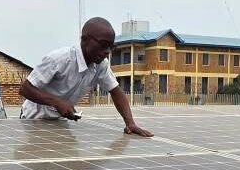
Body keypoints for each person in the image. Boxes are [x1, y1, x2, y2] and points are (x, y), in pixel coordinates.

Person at [20, 17, 153, 137]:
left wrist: (130, 123)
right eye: (103, 45)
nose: (107, 51)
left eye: (110, 47)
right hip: (33, 121)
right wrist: (56, 102)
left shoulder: (101, 65)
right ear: (84, 39)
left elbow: (116, 91)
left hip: (60, 123)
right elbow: (25, 89)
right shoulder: (60, 59)